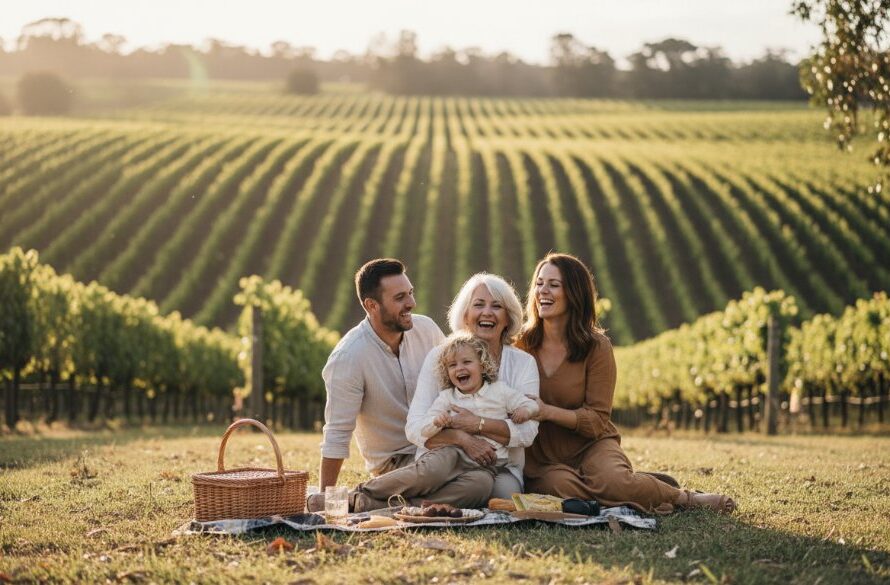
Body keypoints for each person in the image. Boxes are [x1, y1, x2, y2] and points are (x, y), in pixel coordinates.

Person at [517, 253, 736, 515]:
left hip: (591, 445)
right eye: (539, 283)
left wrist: (548, 412)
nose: (543, 291)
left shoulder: (597, 347)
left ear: (574, 293)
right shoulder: (520, 345)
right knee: (558, 487)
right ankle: (637, 488)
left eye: (554, 284)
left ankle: (683, 498)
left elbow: (597, 420)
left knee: (613, 482)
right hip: (543, 458)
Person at [311, 258, 444, 510]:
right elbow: (337, 432)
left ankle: (373, 502)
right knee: (447, 467)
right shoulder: (349, 357)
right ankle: (360, 496)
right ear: (371, 305)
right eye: (400, 297)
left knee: (480, 483)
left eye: (411, 293)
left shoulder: (427, 330)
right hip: (395, 463)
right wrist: (324, 497)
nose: (411, 303)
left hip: (439, 445)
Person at [350, 333, 538, 506]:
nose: (460, 368)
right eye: (452, 365)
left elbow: (532, 405)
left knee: (481, 487)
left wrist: (525, 411)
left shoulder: (500, 391)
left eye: (466, 362)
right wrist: (436, 422)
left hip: (486, 468)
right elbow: (422, 428)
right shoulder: (447, 398)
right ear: (446, 372)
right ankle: (363, 491)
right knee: (429, 472)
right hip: (452, 454)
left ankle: (379, 505)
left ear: (482, 365)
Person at [406, 273, 540, 500]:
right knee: (462, 483)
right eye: (478, 304)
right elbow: (414, 429)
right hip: (445, 458)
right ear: (466, 315)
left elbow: (527, 432)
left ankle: (412, 503)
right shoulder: (439, 357)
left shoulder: (524, 363)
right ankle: (386, 497)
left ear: (508, 318)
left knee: (502, 495)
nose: (487, 312)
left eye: (497, 306)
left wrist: (477, 424)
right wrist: (463, 438)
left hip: (500, 465)